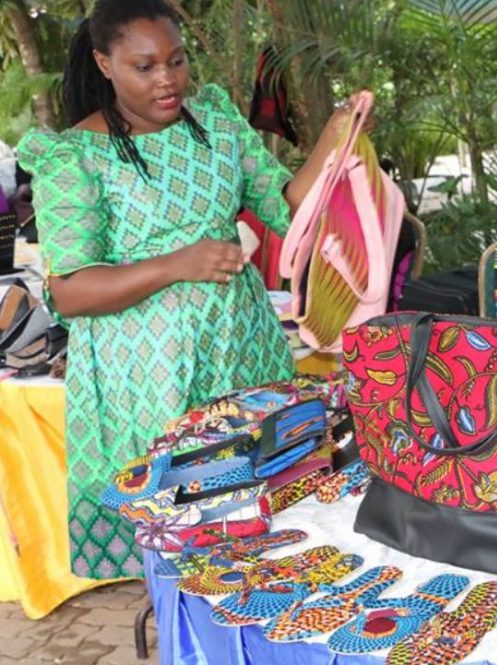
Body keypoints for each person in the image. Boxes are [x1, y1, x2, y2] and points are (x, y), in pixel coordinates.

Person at [16, 0, 365, 579]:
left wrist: (334, 137)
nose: (167, 80)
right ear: (105, 64)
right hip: (148, 378)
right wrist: (177, 263)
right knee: (180, 533)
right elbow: (71, 291)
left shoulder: (217, 122)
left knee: (265, 514)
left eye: (176, 62)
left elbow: (287, 209)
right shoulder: (74, 157)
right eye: (145, 67)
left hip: (241, 351)